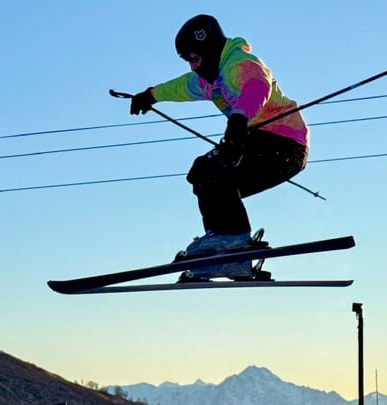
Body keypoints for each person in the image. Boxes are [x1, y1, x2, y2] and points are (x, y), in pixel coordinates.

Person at [129, 14, 309, 282]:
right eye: (188, 61)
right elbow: (180, 87)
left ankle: (233, 240)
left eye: (194, 58)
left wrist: (237, 124)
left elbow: (256, 88)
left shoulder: (240, 64)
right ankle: (229, 257)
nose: (192, 66)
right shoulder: (208, 80)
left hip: (282, 143)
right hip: (258, 144)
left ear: (208, 47)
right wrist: (151, 95)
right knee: (204, 175)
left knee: (214, 169)